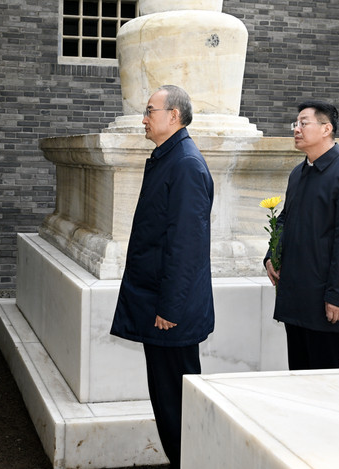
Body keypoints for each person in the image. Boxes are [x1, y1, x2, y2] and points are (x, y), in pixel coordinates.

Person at [110, 85, 214, 468]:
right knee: (166, 401)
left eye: (150, 111)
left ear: (174, 115)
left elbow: (186, 245)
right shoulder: (168, 158)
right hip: (160, 304)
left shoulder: (185, 164)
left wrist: (169, 308)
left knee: (177, 406)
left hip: (172, 314)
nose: (143, 118)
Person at [265, 100, 339, 370]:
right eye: (295, 124)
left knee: (325, 380)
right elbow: (285, 219)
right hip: (295, 295)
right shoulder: (298, 173)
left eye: (304, 123)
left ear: (327, 129)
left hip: (325, 298)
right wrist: (271, 256)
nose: (296, 129)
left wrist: (338, 296)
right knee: (298, 373)